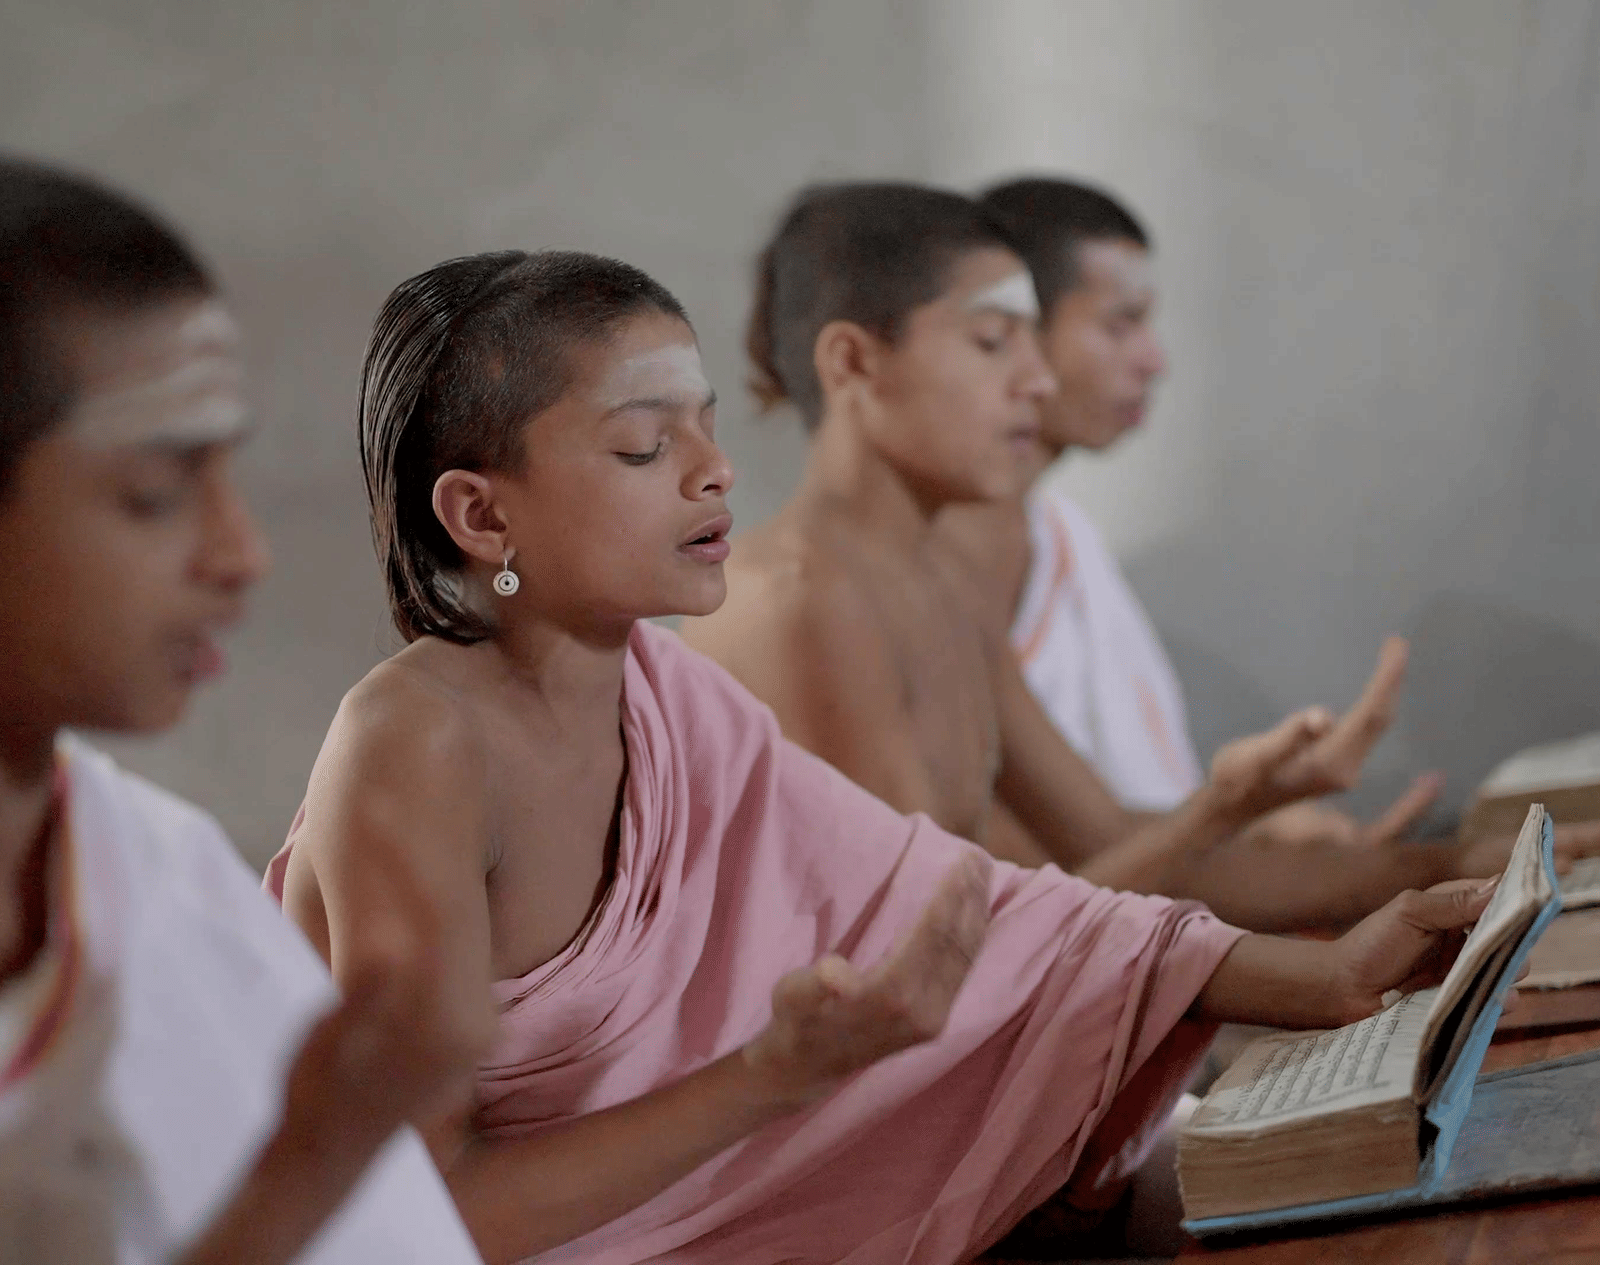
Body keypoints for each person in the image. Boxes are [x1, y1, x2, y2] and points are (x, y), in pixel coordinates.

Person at [271, 246, 1505, 1264]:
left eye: (706, 426)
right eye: (646, 447)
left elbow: (996, 913)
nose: (714, 470)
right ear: (482, 513)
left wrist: (1333, 975)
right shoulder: (412, 741)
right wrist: (772, 1074)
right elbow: (418, 1216)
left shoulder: (670, 699)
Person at [681, 181, 1521, 933]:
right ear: (855, 360)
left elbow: (1117, 856)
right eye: (992, 341)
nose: (1036, 380)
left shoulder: (937, 585)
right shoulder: (803, 601)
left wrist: (1452, 870)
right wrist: (1234, 810)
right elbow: (933, 956)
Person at [0, 157, 487, 1264]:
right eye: (155, 495)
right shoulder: (403, 730)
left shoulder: (158, 870)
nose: (241, 553)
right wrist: (314, 1156)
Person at [937, 175, 1600, 868]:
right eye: (1119, 324)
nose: (1153, 361)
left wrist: (1268, 833)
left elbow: (1110, 836)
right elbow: (1052, 872)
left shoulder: (1063, 534)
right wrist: (1304, 849)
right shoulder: (936, 567)